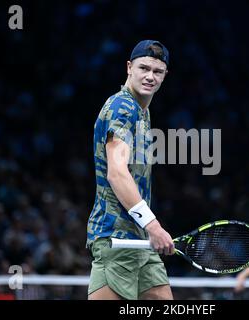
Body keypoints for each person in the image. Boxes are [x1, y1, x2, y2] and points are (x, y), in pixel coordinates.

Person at [86, 40, 175, 300]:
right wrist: (154, 225)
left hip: (140, 241)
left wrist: (149, 229)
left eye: (157, 72)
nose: (150, 76)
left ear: (165, 75)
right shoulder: (122, 107)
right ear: (129, 67)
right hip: (117, 238)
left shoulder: (142, 112)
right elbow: (116, 173)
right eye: (143, 68)